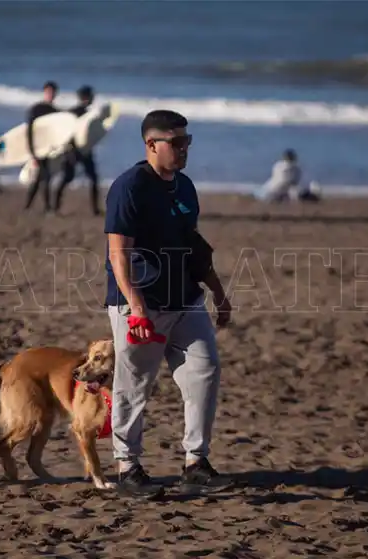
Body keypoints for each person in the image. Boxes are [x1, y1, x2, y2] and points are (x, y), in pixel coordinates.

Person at [104, 109, 234, 499]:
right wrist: (136, 307)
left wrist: (218, 290)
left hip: (186, 299)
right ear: (151, 145)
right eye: (175, 143)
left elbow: (195, 246)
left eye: (187, 141)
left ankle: (196, 462)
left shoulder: (185, 187)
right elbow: (117, 254)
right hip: (143, 304)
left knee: (205, 371)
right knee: (134, 386)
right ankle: (128, 469)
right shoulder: (129, 188)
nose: (183, 149)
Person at [54, 85, 101, 215]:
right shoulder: (85, 114)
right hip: (75, 151)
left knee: (69, 178)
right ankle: (95, 209)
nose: (94, 98)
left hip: (77, 150)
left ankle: (55, 207)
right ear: (88, 97)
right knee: (84, 178)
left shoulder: (75, 112)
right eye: (92, 95)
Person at [24, 81, 59, 212]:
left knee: (41, 178)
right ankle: (45, 207)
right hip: (38, 148)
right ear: (44, 92)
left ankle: (30, 206)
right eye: (48, 92)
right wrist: (32, 152)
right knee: (43, 177)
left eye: (53, 92)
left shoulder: (56, 111)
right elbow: (29, 131)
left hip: (49, 148)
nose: (51, 95)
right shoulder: (36, 109)